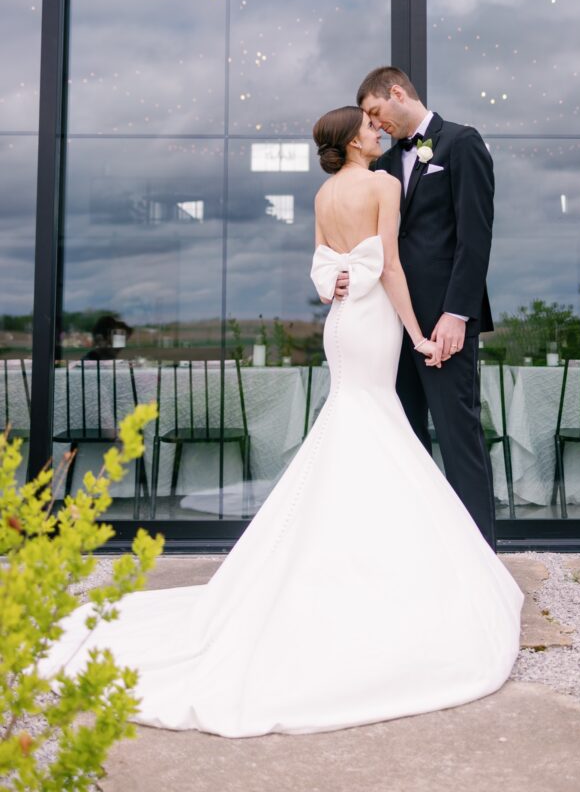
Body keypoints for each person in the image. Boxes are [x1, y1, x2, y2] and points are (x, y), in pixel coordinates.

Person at [40, 105, 522, 738]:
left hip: (341, 324)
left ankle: (340, 549)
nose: (378, 131)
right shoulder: (382, 184)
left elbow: (324, 272)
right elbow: (393, 268)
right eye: (369, 127)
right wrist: (418, 334)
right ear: (354, 140)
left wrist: (341, 284)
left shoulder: (323, 195)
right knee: (375, 422)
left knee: (353, 419)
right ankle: (375, 562)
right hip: (377, 321)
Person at [355, 66, 497, 547]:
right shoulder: (383, 164)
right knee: (405, 440)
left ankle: (479, 557)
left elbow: (475, 237)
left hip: (443, 324)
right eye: (368, 120)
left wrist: (457, 313)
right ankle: (422, 553)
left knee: (459, 437)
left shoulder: (462, 142)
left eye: (376, 112)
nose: (376, 125)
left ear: (397, 93)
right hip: (391, 323)